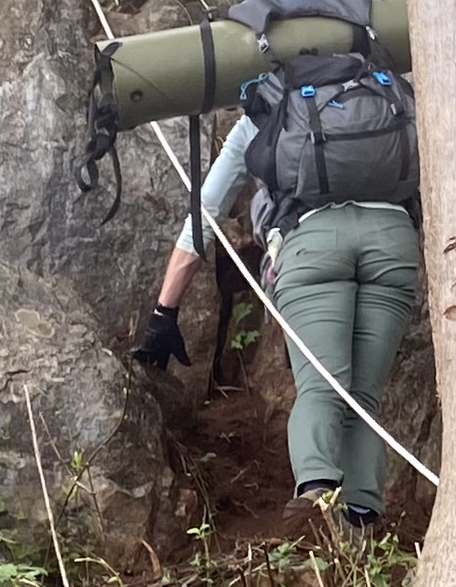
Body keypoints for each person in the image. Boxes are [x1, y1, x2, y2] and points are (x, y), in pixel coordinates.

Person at [133, 40, 422, 531]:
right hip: (392, 242)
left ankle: (311, 522)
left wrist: (166, 312)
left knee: (321, 389)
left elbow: (203, 217)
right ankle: (362, 538)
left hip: (311, 247)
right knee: (363, 401)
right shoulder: (382, 94)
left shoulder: (268, 111)